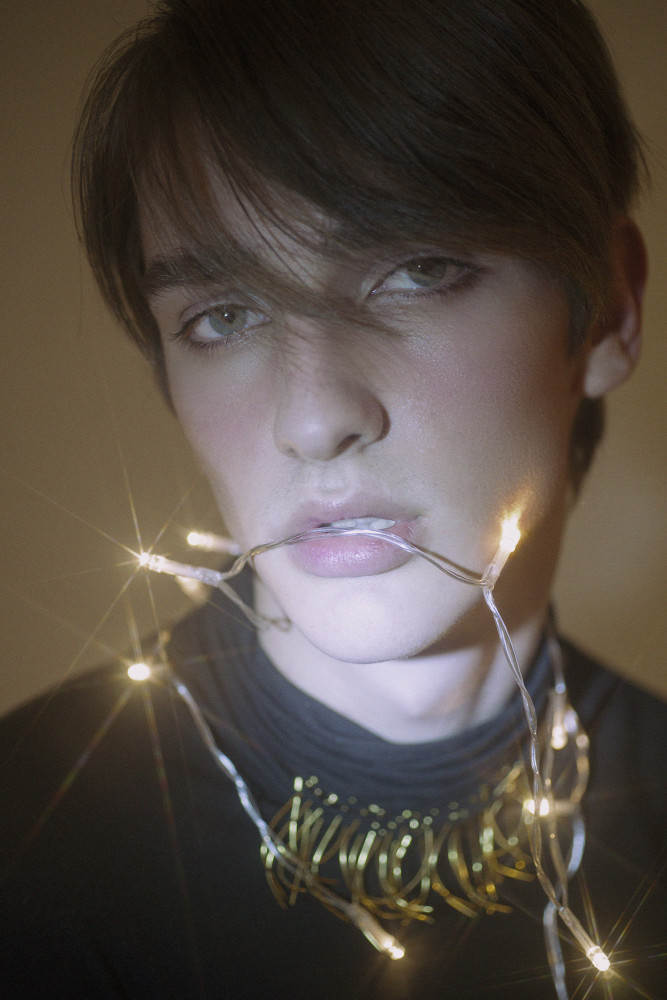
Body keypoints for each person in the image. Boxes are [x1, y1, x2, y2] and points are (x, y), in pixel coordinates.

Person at [1, 1, 665, 997]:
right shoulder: (26, 845)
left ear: (608, 310)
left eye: (417, 271)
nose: (314, 419)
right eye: (223, 316)